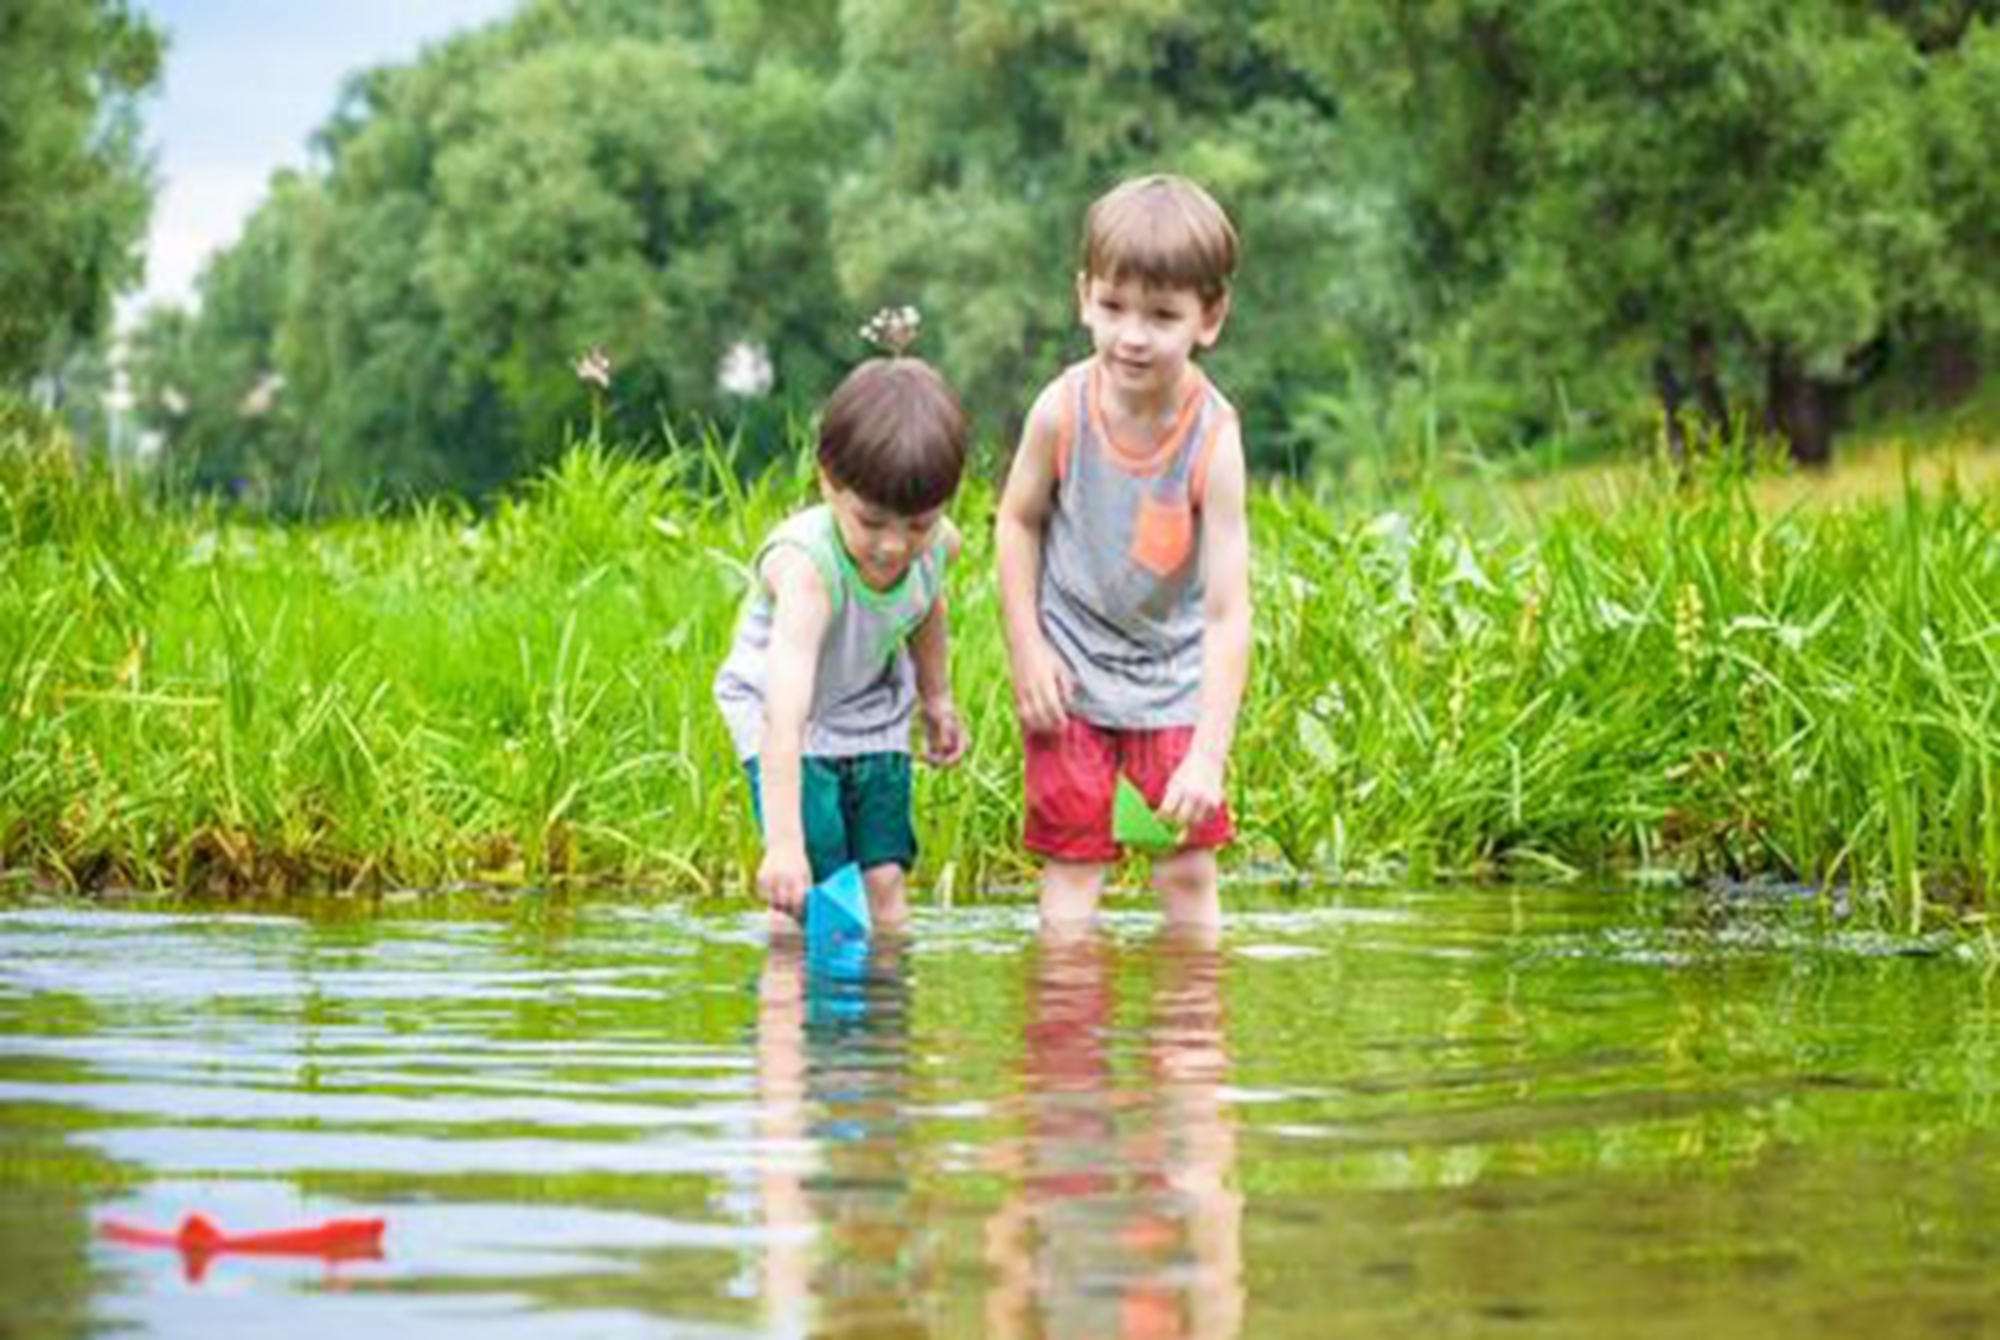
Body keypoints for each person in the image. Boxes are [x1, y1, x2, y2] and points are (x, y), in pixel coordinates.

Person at [995, 174, 1252, 931]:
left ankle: (1191, 1040)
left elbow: (1228, 611)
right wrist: (1026, 650)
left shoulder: (1215, 439)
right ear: (1084, 297)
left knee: (1185, 870)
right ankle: (1067, 1037)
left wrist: (1208, 753)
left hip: (1170, 682)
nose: (1131, 335)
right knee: (1073, 866)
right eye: (1113, 308)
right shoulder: (1060, 409)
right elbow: (1015, 523)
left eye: (1162, 315)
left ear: (1210, 317)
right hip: (1068, 678)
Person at [715, 311, 969, 929]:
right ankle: (786, 1013)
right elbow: (785, 713)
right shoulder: (808, 572)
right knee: (810, 884)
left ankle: (884, 1018)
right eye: (873, 522)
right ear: (829, 483)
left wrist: (936, 698)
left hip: (866, 709)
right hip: (786, 721)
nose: (893, 547)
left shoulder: (937, 547)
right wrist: (782, 846)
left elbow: (925, 605)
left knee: (884, 875)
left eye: (917, 523)